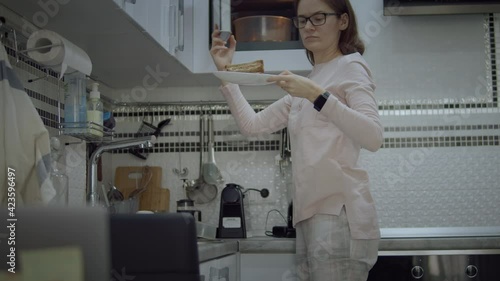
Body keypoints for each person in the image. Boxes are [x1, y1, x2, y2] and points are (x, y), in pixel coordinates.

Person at [210, 0, 383, 280]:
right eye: (302, 20)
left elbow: (373, 136)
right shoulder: (309, 82)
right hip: (309, 217)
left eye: (318, 18)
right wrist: (227, 73)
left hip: (338, 215)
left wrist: (316, 94)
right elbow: (252, 125)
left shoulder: (350, 66)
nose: (308, 27)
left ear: (343, 21)